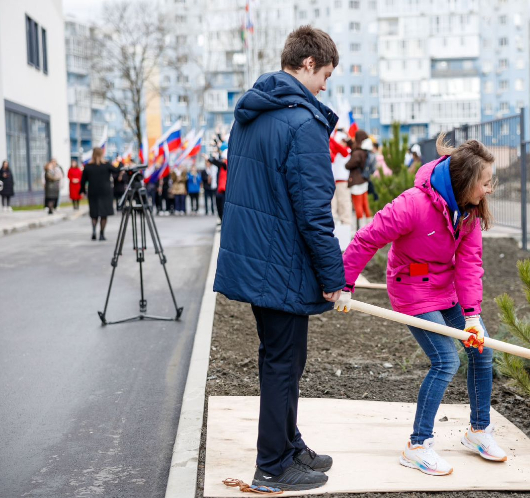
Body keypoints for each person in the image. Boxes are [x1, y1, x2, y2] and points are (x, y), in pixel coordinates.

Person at [213, 25, 343, 492]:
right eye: (325, 74)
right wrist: (334, 275)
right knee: (283, 363)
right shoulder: (302, 123)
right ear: (308, 64)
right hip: (282, 263)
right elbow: (313, 210)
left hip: (257, 258)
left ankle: (288, 444)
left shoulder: (252, 113)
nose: (326, 85)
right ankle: (272, 465)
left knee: (283, 358)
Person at [335, 134, 500, 476]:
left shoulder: (469, 213)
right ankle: (417, 445)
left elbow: (470, 264)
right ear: (466, 181)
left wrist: (471, 316)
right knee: (445, 360)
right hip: (411, 289)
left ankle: (478, 431)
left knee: (481, 350)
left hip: (448, 288)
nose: (488, 189)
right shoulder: (412, 204)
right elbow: (367, 239)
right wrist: (345, 283)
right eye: (485, 182)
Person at [79, 147, 119, 240]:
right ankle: (101, 234)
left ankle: (93, 230)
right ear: (102, 154)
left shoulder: (88, 166)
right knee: (104, 214)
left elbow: (83, 181)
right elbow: (116, 170)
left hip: (93, 191)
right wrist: (119, 162)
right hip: (105, 192)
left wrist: (82, 191)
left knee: (94, 212)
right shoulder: (106, 165)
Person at [344, 130, 374, 227]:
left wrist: (346, 164)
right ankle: (369, 225)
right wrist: (348, 140)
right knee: (365, 204)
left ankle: (360, 227)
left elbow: (349, 165)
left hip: (356, 181)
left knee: (358, 205)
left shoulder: (357, 153)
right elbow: (353, 146)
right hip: (364, 180)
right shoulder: (364, 151)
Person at [329, 128, 353, 228]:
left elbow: (339, 147)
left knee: (344, 202)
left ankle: (346, 223)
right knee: (334, 203)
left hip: (343, 181)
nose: (341, 142)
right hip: (334, 181)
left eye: (343, 141)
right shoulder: (337, 152)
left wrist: (330, 137)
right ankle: (335, 222)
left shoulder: (347, 151)